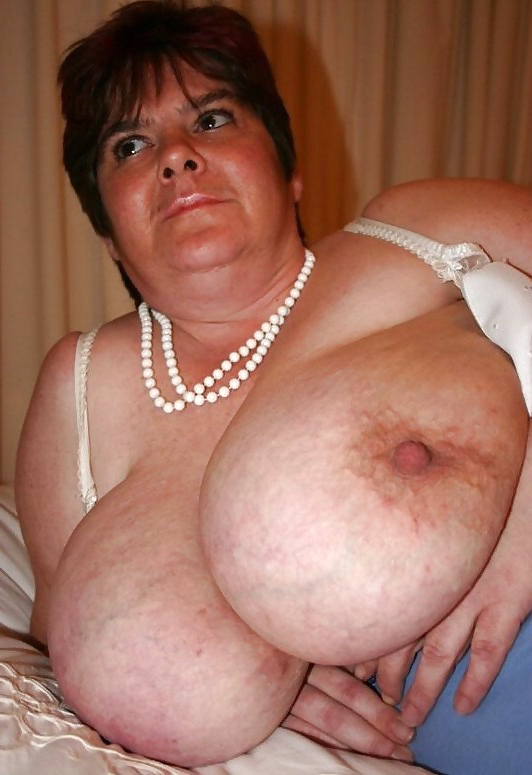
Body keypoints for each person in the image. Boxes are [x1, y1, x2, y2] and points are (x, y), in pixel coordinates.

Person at [14, 0, 531, 771]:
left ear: (289, 170)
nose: (176, 157)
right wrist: (262, 677)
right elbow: (65, 634)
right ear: (107, 231)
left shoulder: (413, 230)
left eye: (212, 119)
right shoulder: (80, 384)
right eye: (130, 144)